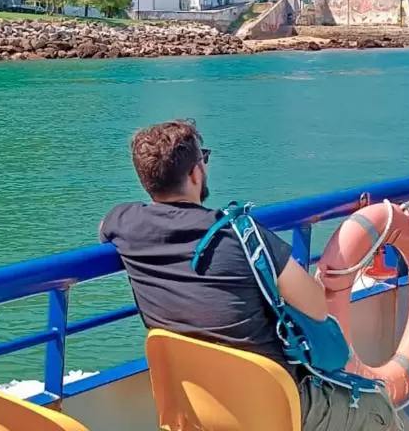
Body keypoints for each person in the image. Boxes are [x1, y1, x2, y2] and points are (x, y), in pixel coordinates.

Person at [100, 119, 393, 431]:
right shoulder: (242, 236)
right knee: (379, 408)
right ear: (195, 173)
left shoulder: (124, 222)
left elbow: (104, 229)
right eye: (204, 159)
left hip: (195, 407)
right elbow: (317, 306)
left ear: (147, 180)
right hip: (272, 409)